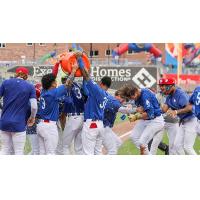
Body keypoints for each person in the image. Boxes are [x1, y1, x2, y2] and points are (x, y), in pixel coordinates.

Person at [37, 64, 78, 155]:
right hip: (49, 127)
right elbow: (68, 83)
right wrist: (74, 70)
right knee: (51, 153)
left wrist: (57, 64)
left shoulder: (44, 91)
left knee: (42, 153)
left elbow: (52, 76)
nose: (56, 82)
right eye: (55, 81)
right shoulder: (53, 93)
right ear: (52, 83)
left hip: (41, 125)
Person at [75, 51, 111, 155]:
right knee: (97, 153)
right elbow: (86, 90)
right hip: (100, 125)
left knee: (87, 153)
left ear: (101, 83)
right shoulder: (106, 95)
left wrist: (79, 59)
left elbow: (86, 76)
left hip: (92, 125)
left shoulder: (97, 90)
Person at [118, 84, 165, 155]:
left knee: (142, 142)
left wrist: (136, 117)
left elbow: (150, 114)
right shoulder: (137, 94)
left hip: (155, 120)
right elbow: (141, 109)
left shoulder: (145, 96)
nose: (132, 99)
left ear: (136, 91)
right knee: (134, 137)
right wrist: (136, 111)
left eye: (132, 97)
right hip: (147, 120)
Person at [0, 67, 37, 155]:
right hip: (19, 123)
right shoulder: (30, 86)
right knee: (19, 151)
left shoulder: (6, 82)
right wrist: (32, 117)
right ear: (26, 75)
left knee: (5, 149)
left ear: (16, 74)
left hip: (4, 121)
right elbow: (34, 106)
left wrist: (2, 108)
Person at [159, 78, 197, 155]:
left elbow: (189, 108)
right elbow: (163, 110)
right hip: (183, 122)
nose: (163, 88)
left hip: (192, 120)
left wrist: (176, 112)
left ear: (172, 85)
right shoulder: (169, 96)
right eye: (161, 86)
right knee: (177, 146)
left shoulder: (180, 93)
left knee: (188, 147)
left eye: (165, 86)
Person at [62, 78, 86, 155]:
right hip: (83, 117)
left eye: (64, 80)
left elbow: (67, 103)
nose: (63, 82)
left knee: (65, 146)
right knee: (79, 148)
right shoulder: (78, 85)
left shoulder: (68, 89)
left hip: (73, 118)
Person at [26, 83, 41, 155]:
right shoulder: (32, 103)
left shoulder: (34, 102)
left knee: (35, 150)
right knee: (36, 150)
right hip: (32, 129)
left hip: (33, 129)